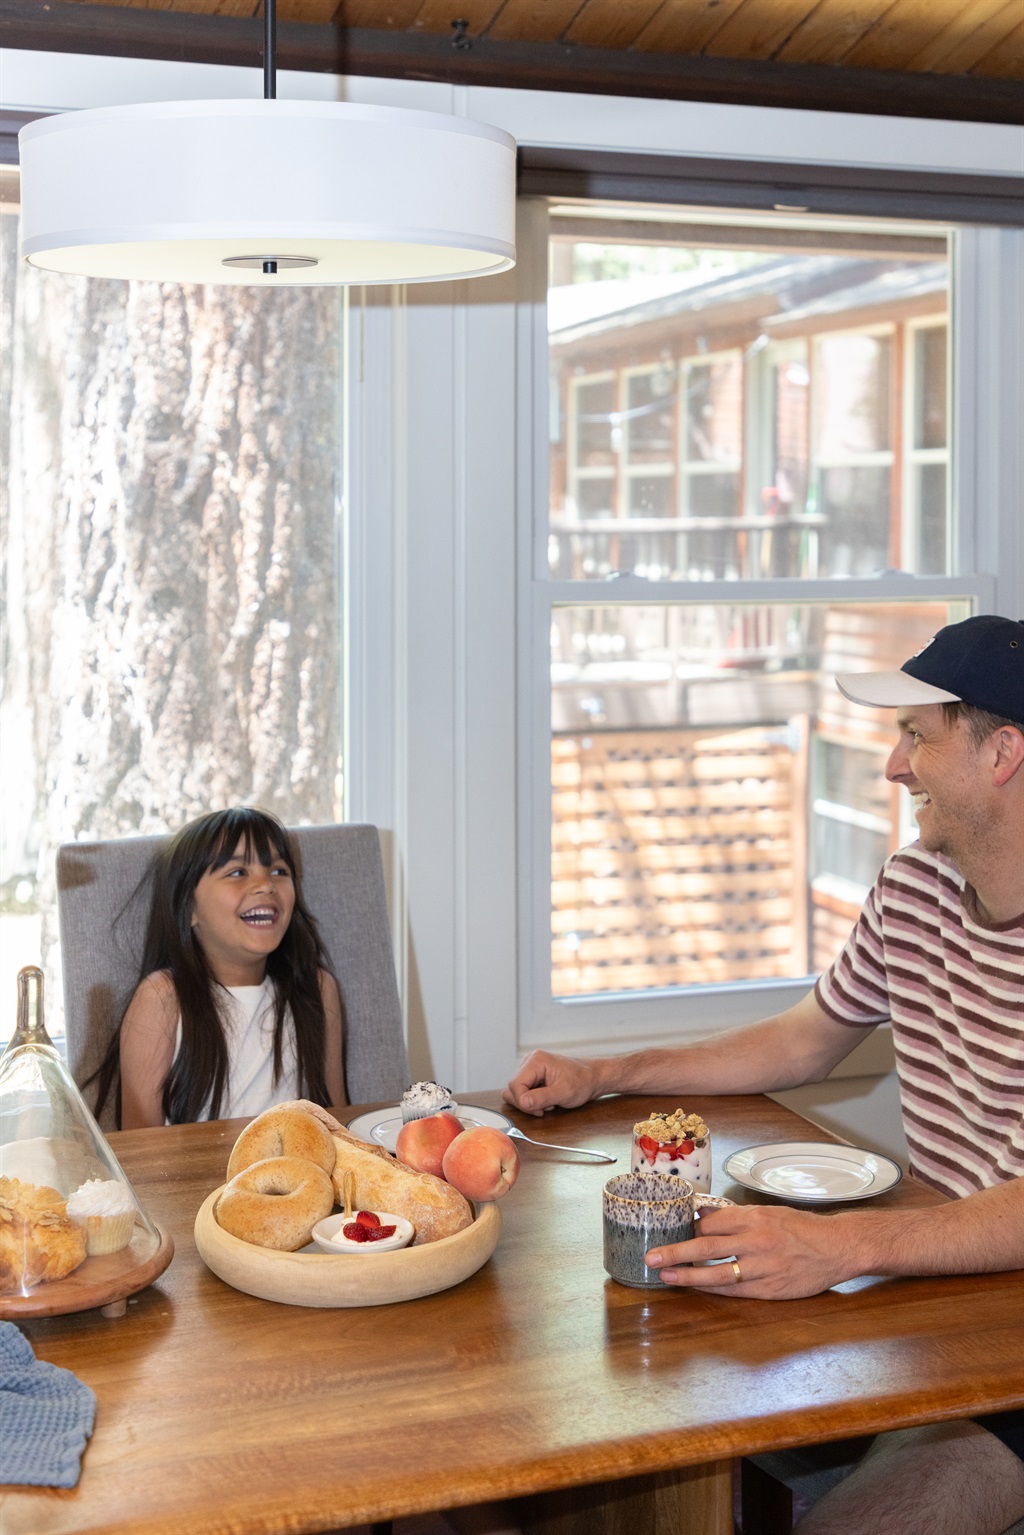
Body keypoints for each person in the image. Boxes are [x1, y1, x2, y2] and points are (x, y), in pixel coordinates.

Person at [504, 613, 1024, 1535]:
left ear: (1003, 754)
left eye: (918, 736)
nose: (895, 766)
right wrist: (611, 1070)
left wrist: (845, 1246)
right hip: (930, 1292)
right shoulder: (915, 887)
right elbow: (800, 1042)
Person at [91, 807, 345, 1129]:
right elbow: (141, 1153)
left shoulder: (317, 990)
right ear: (190, 909)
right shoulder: (163, 998)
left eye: (279, 871)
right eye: (237, 872)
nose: (265, 885)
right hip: (196, 1181)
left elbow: (338, 1124)